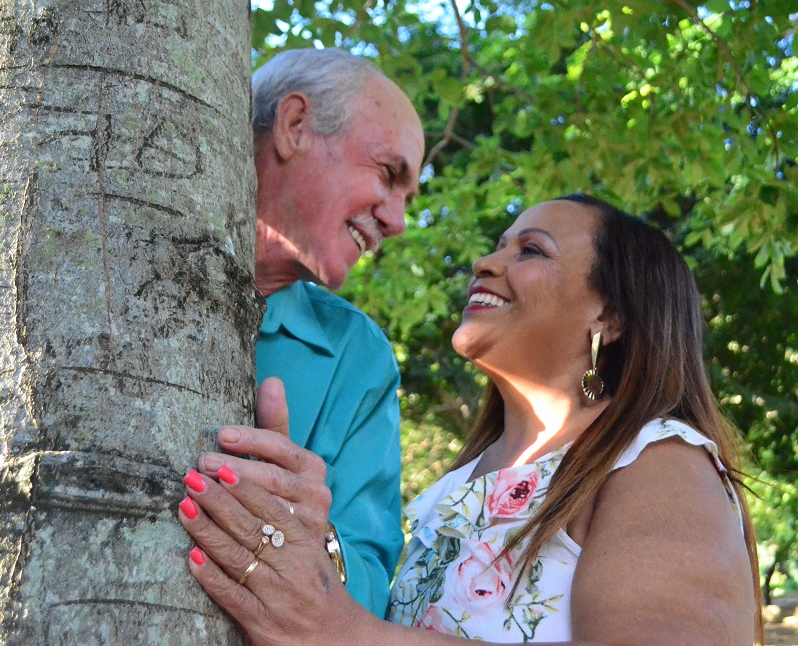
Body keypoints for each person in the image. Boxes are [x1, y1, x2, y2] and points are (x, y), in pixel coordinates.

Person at [177, 195, 763, 645]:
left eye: (529, 251)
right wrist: (310, 546)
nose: (485, 262)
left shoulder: (659, 465)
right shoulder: (451, 491)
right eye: (498, 244)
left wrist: (345, 631)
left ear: (608, 314)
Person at [191, 48, 424, 617]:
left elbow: (371, 591)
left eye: (407, 199)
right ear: (294, 126)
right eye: (389, 174)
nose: (397, 221)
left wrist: (314, 537)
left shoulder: (361, 356)